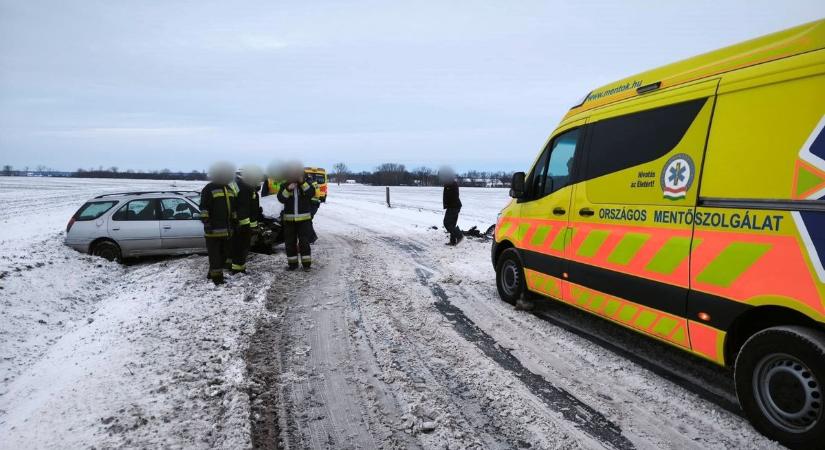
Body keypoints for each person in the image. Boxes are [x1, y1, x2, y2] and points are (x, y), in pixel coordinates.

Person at [200, 161, 237, 285]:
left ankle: (213, 273)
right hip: (213, 230)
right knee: (215, 256)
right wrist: (206, 222)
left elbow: (233, 208)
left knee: (225, 254)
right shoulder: (209, 188)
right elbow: (204, 208)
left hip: (227, 230)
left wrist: (235, 220)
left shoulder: (230, 189)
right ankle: (217, 278)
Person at [277, 161, 315, 271]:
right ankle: (292, 264)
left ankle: (306, 265)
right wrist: (288, 189)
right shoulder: (285, 185)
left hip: (304, 220)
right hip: (289, 220)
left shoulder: (307, 182)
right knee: (290, 243)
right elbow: (281, 198)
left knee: (304, 242)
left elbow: (311, 193)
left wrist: (302, 183)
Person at [229, 164, 263, 275]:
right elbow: (243, 209)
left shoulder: (242, 186)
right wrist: (246, 226)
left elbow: (250, 207)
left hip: (240, 224)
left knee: (236, 246)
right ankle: (238, 269)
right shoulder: (244, 189)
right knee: (241, 246)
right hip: (242, 225)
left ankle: (231, 265)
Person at [440, 167, 463, 246]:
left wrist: (449, 204)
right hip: (454, 206)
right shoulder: (449, 183)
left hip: (453, 206)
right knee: (452, 224)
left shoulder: (451, 183)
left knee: (447, 223)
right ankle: (453, 241)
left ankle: (459, 235)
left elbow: (454, 196)